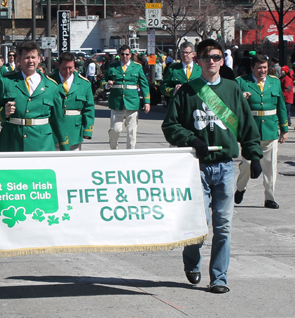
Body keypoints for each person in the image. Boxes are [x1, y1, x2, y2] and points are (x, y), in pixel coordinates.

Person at [161, 39, 263, 294]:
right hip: (196, 167)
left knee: (223, 225)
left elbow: (247, 126)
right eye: (207, 57)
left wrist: (254, 155)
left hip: (226, 167)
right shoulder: (187, 91)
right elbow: (170, 126)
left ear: (222, 60)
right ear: (198, 60)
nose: (212, 62)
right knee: (198, 223)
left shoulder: (232, 89)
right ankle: (192, 262)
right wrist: (192, 139)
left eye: (216, 57)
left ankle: (219, 278)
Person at [0, 41, 70, 151]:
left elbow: (58, 121)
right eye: (27, 57)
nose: (30, 61)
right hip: (12, 142)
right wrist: (4, 112)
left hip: (42, 144)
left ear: (39, 59)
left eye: (33, 57)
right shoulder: (6, 81)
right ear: (19, 59)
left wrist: (65, 149)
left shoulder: (51, 86)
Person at [234, 54, 289, 209]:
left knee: (270, 167)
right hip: (250, 131)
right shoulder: (241, 82)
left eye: (265, 67)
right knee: (246, 164)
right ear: (252, 68)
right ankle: (240, 188)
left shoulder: (274, 82)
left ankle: (269, 197)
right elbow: (233, 105)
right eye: (259, 68)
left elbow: (281, 107)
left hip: (270, 130)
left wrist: (284, 129)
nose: (262, 71)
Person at [103, 45, 150, 149]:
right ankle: (113, 149)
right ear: (119, 55)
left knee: (131, 132)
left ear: (131, 55)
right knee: (115, 130)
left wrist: (147, 101)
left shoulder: (137, 67)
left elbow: (144, 85)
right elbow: (103, 81)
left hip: (132, 103)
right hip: (117, 103)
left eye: (127, 54)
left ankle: (130, 154)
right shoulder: (112, 67)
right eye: (122, 54)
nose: (125, 56)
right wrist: (107, 84)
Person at [50, 52, 95, 150]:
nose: (67, 71)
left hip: (74, 131)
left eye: (70, 68)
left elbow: (89, 108)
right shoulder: (49, 81)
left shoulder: (84, 84)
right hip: (54, 131)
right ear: (58, 65)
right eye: (64, 68)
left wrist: (87, 130)